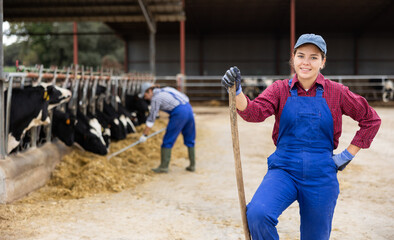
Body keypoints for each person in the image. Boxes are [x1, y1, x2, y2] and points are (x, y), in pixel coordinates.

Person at [221, 33, 381, 240]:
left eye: (314, 57)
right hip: (284, 169)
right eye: (301, 55)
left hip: (321, 174)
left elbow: (371, 120)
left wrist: (346, 156)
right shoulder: (280, 89)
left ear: (323, 62)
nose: (306, 62)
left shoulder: (337, 92)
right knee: (258, 214)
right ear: (293, 59)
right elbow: (253, 113)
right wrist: (237, 92)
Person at [139, 83, 196, 173]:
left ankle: (164, 167)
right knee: (190, 137)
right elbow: (185, 97)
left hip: (179, 113)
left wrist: (144, 134)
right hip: (188, 108)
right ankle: (192, 165)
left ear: (150, 91)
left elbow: (152, 117)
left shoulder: (155, 98)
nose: (145, 98)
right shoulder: (168, 89)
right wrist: (187, 113)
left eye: (145, 95)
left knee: (168, 139)